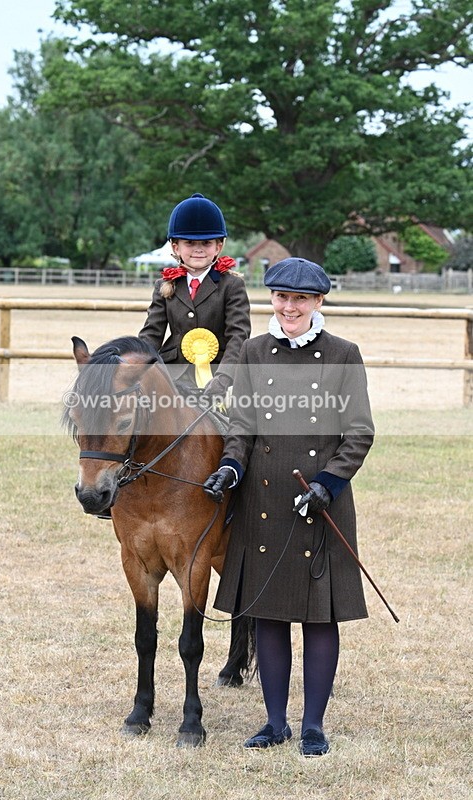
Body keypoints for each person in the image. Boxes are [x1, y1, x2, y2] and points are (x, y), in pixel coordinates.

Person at [203, 257, 374, 756]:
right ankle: (275, 723)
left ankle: (314, 726)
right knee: (270, 616)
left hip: (321, 502)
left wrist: (327, 483)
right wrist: (232, 467)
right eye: (281, 297)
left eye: (300, 299)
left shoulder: (344, 353)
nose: (289, 307)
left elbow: (359, 432)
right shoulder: (254, 352)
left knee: (320, 618)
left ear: (319, 301)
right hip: (263, 503)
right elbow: (243, 429)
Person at [138, 193, 251, 398]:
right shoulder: (163, 286)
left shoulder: (232, 285)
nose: (198, 250)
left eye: (206, 243)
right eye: (189, 243)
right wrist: (137, 366)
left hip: (216, 376)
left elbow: (238, 335)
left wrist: (224, 377)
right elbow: (152, 334)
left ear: (218, 246)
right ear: (176, 247)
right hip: (172, 375)